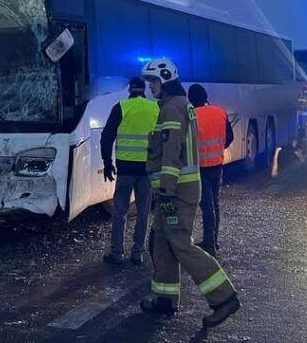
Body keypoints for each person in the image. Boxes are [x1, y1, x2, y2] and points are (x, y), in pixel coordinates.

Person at [138, 59, 241, 328]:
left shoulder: (173, 108)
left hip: (176, 192)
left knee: (181, 244)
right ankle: (164, 298)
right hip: (177, 190)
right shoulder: (176, 105)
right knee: (162, 241)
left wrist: (166, 189)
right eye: (149, 82)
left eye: (154, 81)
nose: (150, 86)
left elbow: (172, 151)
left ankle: (224, 298)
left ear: (166, 80)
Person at [101, 76, 159, 265]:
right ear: (144, 89)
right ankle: (138, 253)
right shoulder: (155, 108)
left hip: (125, 168)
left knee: (120, 211)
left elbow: (106, 136)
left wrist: (107, 163)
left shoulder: (121, 107)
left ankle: (117, 253)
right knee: (143, 211)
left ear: (129, 90)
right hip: (147, 169)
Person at [188, 84, 233, 255]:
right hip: (217, 165)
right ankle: (214, 240)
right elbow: (230, 137)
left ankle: (209, 244)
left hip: (201, 167)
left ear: (191, 99)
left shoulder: (193, 115)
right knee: (214, 203)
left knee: (206, 206)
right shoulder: (220, 111)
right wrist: (219, 149)